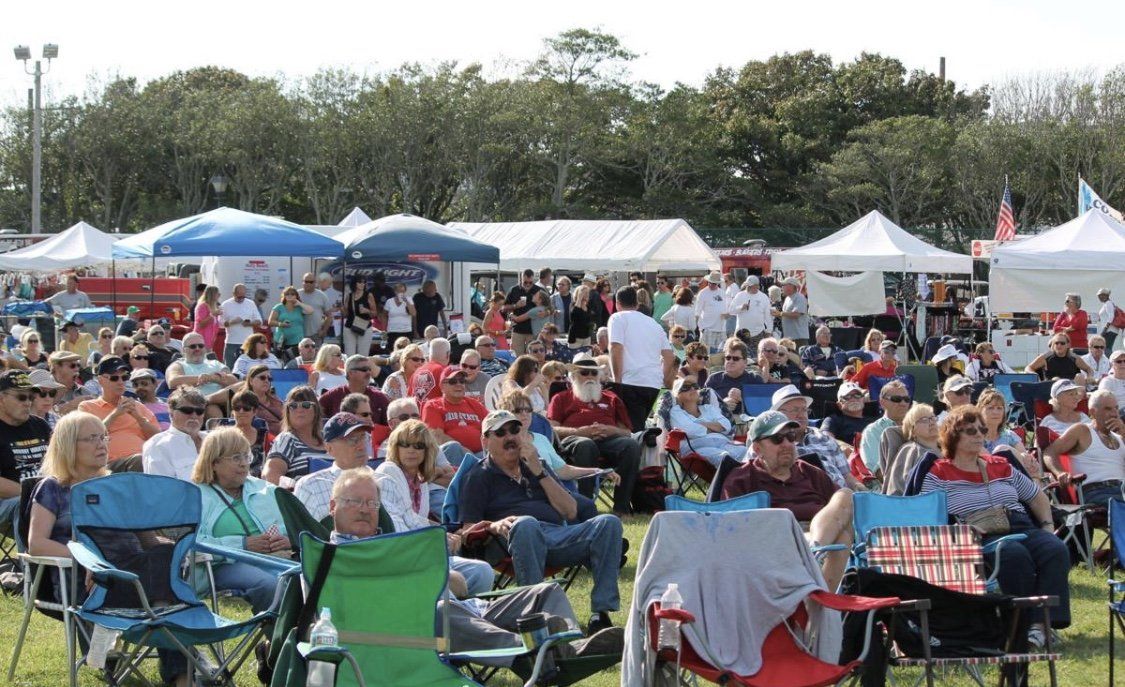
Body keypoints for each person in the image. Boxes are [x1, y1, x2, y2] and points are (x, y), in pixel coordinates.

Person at [29, 411, 191, 687]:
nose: (101, 444)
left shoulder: (119, 487)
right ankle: (160, 618)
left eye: (103, 436)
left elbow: (149, 541)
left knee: (168, 557)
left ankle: (182, 677)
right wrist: (90, 562)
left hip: (133, 577)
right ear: (68, 444)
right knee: (167, 605)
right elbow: (37, 544)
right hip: (84, 581)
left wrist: (177, 552)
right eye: (90, 438)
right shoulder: (53, 488)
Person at [917, 405, 1069, 649]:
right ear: (953, 435)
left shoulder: (1000, 465)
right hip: (978, 533)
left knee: (1055, 548)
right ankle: (1022, 623)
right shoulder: (939, 472)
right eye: (970, 430)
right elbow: (927, 513)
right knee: (1013, 555)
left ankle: (1042, 625)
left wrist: (1047, 525)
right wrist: (958, 533)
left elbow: (1036, 496)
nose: (979, 434)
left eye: (982, 429)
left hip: (1018, 523)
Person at [459, 410, 623, 632]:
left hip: (556, 537)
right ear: (485, 441)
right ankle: (534, 616)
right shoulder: (478, 476)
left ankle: (600, 615)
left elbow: (570, 511)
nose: (510, 437)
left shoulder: (536, 465)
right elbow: (467, 530)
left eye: (515, 430)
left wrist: (539, 471)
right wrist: (494, 526)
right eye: (500, 433)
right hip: (511, 542)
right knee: (526, 523)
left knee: (608, 523)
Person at [721, 410, 854, 590]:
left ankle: (815, 553)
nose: (786, 444)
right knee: (840, 539)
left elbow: (840, 510)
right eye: (777, 439)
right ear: (757, 448)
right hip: (774, 542)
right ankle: (821, 597)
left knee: (845, 495)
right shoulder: (742, 479)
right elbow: (732, 529)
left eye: (791, 437)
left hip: (818, 535)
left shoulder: (810, 472)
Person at [373, 420, 493, 594]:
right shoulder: (388, 472)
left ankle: (470, 611)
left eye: (419, 445)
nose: (411, 450)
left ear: (428, 450)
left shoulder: (420, 481)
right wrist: (437, 537)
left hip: (423, 552)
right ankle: (451, 615)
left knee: (483, 572)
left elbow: (416, 520)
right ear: (395, 447)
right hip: (398, 558)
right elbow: (396, 528)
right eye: (404, 444)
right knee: (448, 581)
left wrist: (447, 533)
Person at [193, 427, 288, 612]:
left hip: (277, 558)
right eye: (236, 458)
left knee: (314, 578)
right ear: (214, 462)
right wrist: (242, 545)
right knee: (271, 585)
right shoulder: (196, 496)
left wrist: (286, 538)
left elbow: (293, 525)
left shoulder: (265, 489)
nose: (244, 464)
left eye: (247, 456)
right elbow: (193, 544)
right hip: (223, 565)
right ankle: (278, 639)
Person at [548, 355, 641, 515]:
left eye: (593, 373)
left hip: (608, 441)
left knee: (631, 445)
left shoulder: (611, 398)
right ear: (573, 376)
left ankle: (622, 507)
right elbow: (551, 429)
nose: (590, 377)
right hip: (574, 442)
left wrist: (612, 430)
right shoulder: (561, 398)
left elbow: (627, 432)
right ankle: (586, 505)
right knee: (586, 444)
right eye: (584, 373)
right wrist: (580, 431)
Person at [772, 384, 867, 492]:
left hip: (844, 498)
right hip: (803, 499)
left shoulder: (824, 438)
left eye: (804, 410)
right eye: (795, 410)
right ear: (779, 414)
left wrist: (864, 494)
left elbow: (847, 477)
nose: (802, 415)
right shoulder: (770, 443)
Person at [608, 285, 676, 432]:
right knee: (637, 428)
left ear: (617, 304)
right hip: (652, 384)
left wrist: (617, 380)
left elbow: (615, 347)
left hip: (630, 382)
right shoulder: (653, 324)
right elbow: (669, 356)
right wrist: (662, 378)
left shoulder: (617, 318)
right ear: (637, 304)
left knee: (629, 431)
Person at [1045, 389, 1125, 505]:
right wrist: (1060, 472)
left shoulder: (1120, 437)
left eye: (1116, 408)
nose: (1114, 413)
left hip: (1121, 490)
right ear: (1093, 412)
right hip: (1096, 491)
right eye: (1108, 409)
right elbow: (1049, 452)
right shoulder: (1082, 431)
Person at [293, 412, 374, 520]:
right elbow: (305, 533)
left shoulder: (383, 480)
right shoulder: (311, 486)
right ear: (329, 448)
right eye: (352, 440)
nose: (361, 446)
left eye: (364, 437)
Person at [79, 357, 160, 463]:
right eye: (114, 378)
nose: (121, 382)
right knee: (140, 460)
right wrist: (115, 414)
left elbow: (158, 439)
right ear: (100, 380)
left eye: (124, 377)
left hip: (144, 460)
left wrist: (138, 418)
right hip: (109, 465)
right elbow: (89, 438)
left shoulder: (137, 406)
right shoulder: (87, 407)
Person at [0, 369, 51, 525]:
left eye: (30, 397)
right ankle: (34, 549)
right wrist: (35, 494)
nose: (28, 402)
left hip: (47, 494)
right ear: (1, 399)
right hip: (8, 501)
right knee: (26, 504)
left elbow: (62, 459)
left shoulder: (40, 425)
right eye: (21, 397)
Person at [668, 377, 746, 466]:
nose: (693, 389)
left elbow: (726, 426)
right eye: (685, 387)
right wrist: (716, 427)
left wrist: (699, 424)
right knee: (724, 457)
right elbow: (691, 431)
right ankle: (731, 479)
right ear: (677, 395)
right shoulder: (676, 411)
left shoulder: (708, 408)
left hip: (722, 443)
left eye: (695, 386)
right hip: (697, 447)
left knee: (745, 451)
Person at [263, 386, 330, 485]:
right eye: (293, 405)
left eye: (306, 405)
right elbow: (270, 476)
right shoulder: (287, 439)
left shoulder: (331, 440)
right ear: (287, 411)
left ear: (316, 410)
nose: (299, 409)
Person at [142, 386, 208, 481]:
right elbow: (161, 490)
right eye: (187, 410)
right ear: (171, 412)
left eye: (199, 411)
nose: (194, 416)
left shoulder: (214, 440)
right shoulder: (157, 445)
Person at [421, 365, 489, 455]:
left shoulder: (473, 404)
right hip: (453, 457)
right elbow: (438, 437)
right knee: (452, 447)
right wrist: (465, 452)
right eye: (453, 381)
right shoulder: (433, 406)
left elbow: (491, 424)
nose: (459, 384)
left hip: (480, 454)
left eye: (462, 381)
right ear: (442, 386)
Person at [881, 403, 939, 495]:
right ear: (913, 430)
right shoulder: (910, 450)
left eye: (933, 418)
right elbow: (898, 489)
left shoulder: (950, 449)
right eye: (924, 420)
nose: (931, 422)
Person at [978, 388, 1036, 477]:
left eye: (999, 408)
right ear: (980, 411)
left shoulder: (1009, 435)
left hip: (1015, 478)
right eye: (990, 408)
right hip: (987, 479)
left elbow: (1026, 460)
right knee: (1002, 449)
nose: (995, 412)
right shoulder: (975, 437)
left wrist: (1024, 457)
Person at [859, 379, 911, 474]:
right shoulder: (873, 431)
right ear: (882, 402)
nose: (903, 403)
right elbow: (879, 471)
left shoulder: (917, 426)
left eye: (906, 399)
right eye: (896, 399)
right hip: (893, 486)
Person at [319, 354, 390, 423]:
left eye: (369, 369)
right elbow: (318, 421)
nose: (368, 372)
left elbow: (389, 426)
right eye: (364, 369)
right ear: (350, 373)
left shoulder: (379, 398)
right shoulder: (331, 397)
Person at [166, 332, 238, 397]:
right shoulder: (178, 365)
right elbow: (173, 382)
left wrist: (211, 378)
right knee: (212, 408)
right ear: (184, 350)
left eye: (200, 346)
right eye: (193, 346)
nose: (197, 349)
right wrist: (202, 378)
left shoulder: (215, 363)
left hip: (219, 401)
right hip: (193, 403)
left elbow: (234, 382)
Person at [704, 338, 763, 415]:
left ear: (745, 362)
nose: (730, 361)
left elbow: (762, 407)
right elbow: (703, 405)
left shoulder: (755, 379)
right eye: (728, 358)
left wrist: (743, 399)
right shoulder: (714, 379)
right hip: (720, 423)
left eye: (736, 358)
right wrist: (721, 405)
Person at [219, 283, 263, 369]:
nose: (241, 299)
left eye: (243, 297)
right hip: (231, 342)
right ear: (233, 294)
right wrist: (232, 322)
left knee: (249, 368)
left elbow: (259, 321)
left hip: (248, 342)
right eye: (239, 297)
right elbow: (220, 324)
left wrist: (249, 323)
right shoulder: (226, 304)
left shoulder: (250, 303)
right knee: (230, 368)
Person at [267, 286, 313, 361]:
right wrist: (281, 324)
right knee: (281, 360)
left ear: (296, 296)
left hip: (297, 341)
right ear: (284, 296)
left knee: (296, 361)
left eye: (292, 294)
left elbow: (311, 311)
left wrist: (299, 303)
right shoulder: (279, 307)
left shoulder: (299, 307)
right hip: (281, 341)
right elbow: (270, 322)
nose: (290, 296)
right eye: (287, 294)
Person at [503, 269, 543, 355]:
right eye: (525, 282)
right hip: (518, 330)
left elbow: (547, 308)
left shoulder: (539, 290)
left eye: (530, 282)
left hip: (534, 330)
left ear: (533, 280)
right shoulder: (514, 290)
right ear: (521, 279)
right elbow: (504, 307)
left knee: (533, 357)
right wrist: (515, 306)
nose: (528, 284)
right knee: (516, 356)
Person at [1026, 333, 1093, 384]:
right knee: (1056, 379)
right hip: (1052, 388)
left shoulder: (1074, 358)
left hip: (1071, 387)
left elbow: (1089, 369)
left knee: (1080, 376)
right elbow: (1028, 368)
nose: (1059, 345)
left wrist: (1089, 377)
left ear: (1068, 345)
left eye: (1062, 343)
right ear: (1053, 345)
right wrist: (1035, 375)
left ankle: (1082, 401)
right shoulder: (1045, 357)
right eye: (1056, 343)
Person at [342, 275, 377, 357]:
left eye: (364, 282)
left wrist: (367, 310)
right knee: (349, 355)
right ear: (354, 283)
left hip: (364, 326)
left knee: (363, 356)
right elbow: (346, 314)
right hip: (350, 326)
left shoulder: (368, 295)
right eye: (360, 282)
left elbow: (375, 313)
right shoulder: (349, 296)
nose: (362, 284)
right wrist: (342, 309)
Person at [409, 337, 450, 404]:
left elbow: (409, 398)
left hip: (417, 413)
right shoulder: (445, 372)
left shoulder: (416, 372)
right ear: (448, 354)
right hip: (435, 413)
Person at [694, 272, 726, 353]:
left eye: (714, 283)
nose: (711, 284)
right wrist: (699, 328)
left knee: (719, 354)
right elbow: (697, 312)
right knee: (706, 354)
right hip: (707, 329)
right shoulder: (703, 293)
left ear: (718, 283)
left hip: (721, 329)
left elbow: (726, 308)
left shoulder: (722, 293)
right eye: (710, 282)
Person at [774, 277, 810, 348]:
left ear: (791, 286)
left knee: (800, 358)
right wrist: (776, 314)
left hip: (799, 338)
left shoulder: (800, 298)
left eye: (784, 285)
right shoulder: (787, 298)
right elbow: (786, 315)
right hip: (788, 338)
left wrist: (780, 313)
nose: (782, 287)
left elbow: (796, 314)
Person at [297, 272, 331, 344]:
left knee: (316, 354)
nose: (308, 284)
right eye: (306, 281)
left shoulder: (322, 296)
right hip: (298, 334)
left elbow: (329, 316)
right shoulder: (296, 294)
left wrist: (324, 331)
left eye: (311, 282)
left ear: (315, 283)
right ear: (302, 282)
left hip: (316, 334)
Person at [194, 285, 222, 353]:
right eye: (217, 293)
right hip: (201, 342)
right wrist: (213, 315)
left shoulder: (214, 307)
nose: (219, 295)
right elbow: (200, 325)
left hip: (209, 343)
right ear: (212, 294)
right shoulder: (202, 306)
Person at [1098, 287, 1120, 352]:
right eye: (1098, 296)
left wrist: (1105, 328)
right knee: (1107, 348)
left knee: (1107, 348)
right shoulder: (1106, 304)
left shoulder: (1108, 303)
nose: (1099, 297)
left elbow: (1111, 316)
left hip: (1109, 330)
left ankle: (1110, 361)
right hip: (1109, 330)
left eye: (1100, 296)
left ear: (1105, 295)